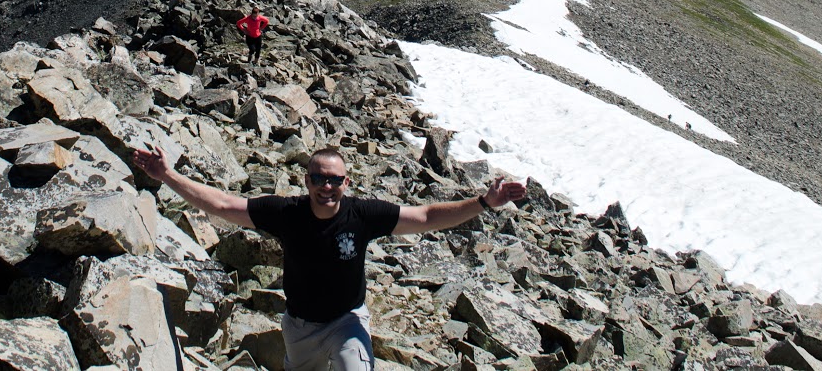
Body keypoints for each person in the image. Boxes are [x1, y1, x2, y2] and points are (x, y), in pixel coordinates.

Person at [132, 144, 527, 370]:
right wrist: (167, 176)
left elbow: (424, 216)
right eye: (318, 177)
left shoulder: (363, 215)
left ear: (346, 182)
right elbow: (221, 204)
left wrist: (484, 202)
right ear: (306, 180)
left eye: (334, 179)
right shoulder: (285, 212)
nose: (326, 186)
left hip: (347, 321)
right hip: (299, 327)